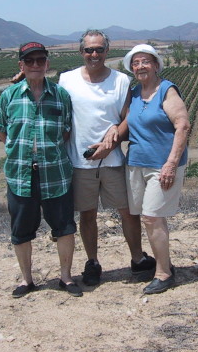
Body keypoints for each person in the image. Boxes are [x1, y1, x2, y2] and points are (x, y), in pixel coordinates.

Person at [58, 29, 156, 286]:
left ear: (106, 52)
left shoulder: (121, 81)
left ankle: (137, 259)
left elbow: (128, 118)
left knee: (128, 212)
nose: (94, 54)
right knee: (87, 215)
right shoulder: (66, 80)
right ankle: (92, 262)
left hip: (113, 161)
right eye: (89, 49)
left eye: (99, 49)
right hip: (81, 161)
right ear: (81, 52)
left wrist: (112, 138)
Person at [0, 42, 82, 298]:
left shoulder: (61, 96)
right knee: (21, 231)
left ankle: (65, 278)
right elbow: (2, 129)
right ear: (21, 65)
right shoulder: (9, 96)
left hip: (55, 174)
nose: (35, 65)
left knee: (64, 227)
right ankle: (27, 280)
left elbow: (66, 131)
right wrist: (18, 151)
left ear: (47, 65)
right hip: (20, 175)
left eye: (40, 60)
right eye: (29, 61)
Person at [121, 44, 190, 294]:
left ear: (156, 65)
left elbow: (182, 126)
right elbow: (126, 122)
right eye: (136, 63)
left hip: (162, 166)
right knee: (149, 217)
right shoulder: (135, 93)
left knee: (152, 217)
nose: (140, 66)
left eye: (145, 61)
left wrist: (171, 163)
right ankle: (164, 262)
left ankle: (163, 273)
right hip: (137, 162)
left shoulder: (166, 90)